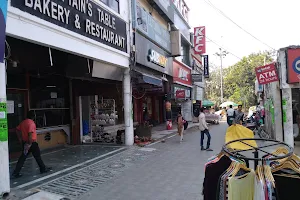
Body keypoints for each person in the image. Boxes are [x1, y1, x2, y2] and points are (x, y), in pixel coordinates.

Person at [12, 111, 51, 178]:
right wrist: (29, 143)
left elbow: (17, 129)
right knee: (37, 156)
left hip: (25, 142)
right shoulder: (31, 123)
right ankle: (43, 169)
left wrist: (20, 138)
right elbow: (30, 133)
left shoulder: (23, 122)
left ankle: (16, 172)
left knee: (22, 158)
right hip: (31, 143)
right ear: (33, 116)